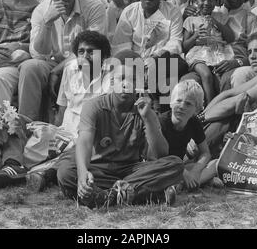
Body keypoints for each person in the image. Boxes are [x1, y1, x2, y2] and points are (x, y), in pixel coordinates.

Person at [56, 51, 184, 208]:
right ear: (111, 81)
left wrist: (148, 119)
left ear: (141, 82)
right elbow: (84, 142)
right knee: (66, 171)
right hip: (98, 168)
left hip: (130, 171)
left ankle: (108, 195)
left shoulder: (145, 109)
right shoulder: (94, 106)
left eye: (132, 79)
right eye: (121, 78)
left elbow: (160, 155)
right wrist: (83, 173)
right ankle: (143, 193)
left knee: (175, 164)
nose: (126, 84)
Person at [26, 30, 112, 192]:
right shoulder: (70, 69)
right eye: (81, 51)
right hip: (67, 133)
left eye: (91, 52)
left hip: (93, 135)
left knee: (83, 148)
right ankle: (26, 168)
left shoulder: (112, 76)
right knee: (36, 138)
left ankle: (46, 172)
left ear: (104, 56)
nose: (85, 55)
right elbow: (63, 107)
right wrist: (54, 131)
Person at [20, 0, 106, 121]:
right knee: (29, 67)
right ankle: (26, 126)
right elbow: (39, 54)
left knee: (79, 66)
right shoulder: (41, 11)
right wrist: (47, 23)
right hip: (53, 62)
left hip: (88, 62)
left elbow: (93, 49)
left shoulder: (93, 6)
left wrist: (58, 70)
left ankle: (75, 125)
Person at [182, 0, 234, 104]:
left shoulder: (220, 15)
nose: (206, 3)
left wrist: (216, 22)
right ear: (195, 0)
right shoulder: (191, 20)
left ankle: (222, 104)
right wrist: (195, 35)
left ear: (216, 0)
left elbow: (230, 37)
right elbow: (184, 46)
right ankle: (210, 106)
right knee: (206, 75)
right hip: (198, 54)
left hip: (218, 52)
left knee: (220, 76)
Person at [160, 80, 211, 190]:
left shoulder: (194, 122)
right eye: (178, 101)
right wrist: (183, 172)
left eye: (188, 104)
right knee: (164, 175)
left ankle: (185, 183)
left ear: (196, 110)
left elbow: (206, 153)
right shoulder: (162, 122)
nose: (182, 106)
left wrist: (195, 171)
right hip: (162, 166)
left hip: (181, 167)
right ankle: (195, 181)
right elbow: (158, 157)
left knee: (214, 165)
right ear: (171, 102)